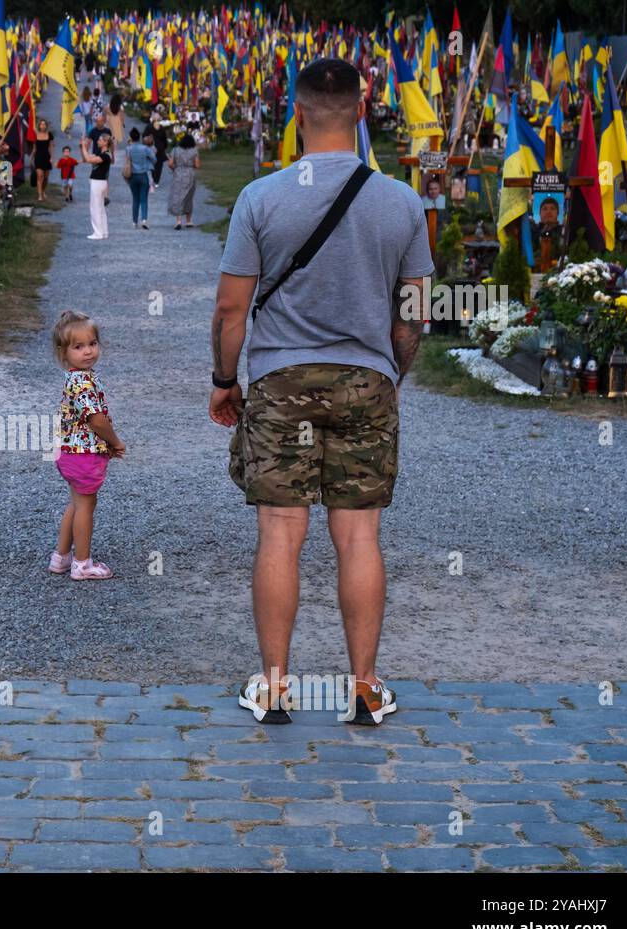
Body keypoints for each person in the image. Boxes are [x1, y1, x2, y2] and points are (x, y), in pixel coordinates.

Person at [208, 58, 433, 727]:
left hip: (280, 381)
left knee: (281, 532)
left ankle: (276, 687)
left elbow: (230, 308)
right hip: (367, 380)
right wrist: (395, 371)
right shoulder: (400, 202)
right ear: (362, 113)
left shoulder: (261, 198)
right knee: (359, 535)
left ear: (296, 115)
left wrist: (225, 380)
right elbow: (414, 312)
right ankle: (362, 688)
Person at [48, 311, 124, 580]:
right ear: (63, 352)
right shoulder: (82, 383)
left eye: (92, 343)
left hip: (68, 451)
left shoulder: (77, 377)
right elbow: (97, 420)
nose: (88, 351)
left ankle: (61, 557)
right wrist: (114, 441)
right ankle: (82, 563)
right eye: (78, 347)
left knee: (76, 502)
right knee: (86, 506)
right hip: (83, 453)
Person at [82, 131, 113, 240]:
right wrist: (84, 147)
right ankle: (104, 232)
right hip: (100, 182)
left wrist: (83, 147)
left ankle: (98, 233)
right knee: (100, 208)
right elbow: (86, 158)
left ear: (105, 142)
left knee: (95, 207)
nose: (98, 141)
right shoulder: (103, 154)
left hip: (98, 182)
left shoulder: (105, 155)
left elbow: (88, 159)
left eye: (100, 140)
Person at [166, 131, 201, 229]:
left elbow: (170, 163)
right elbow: (197, 165)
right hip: (190, 174)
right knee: (188, 197)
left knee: (178, 197)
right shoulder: (194, 151)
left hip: (178, 173)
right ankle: (189, 221)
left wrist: (175, 168)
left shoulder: (175, 150)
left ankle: (178, 221)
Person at [126, 128, 156, 229]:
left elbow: (127, 161)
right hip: (143, 175)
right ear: (139, 137)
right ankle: (144, 220)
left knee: (135, 199)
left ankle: (134, 222)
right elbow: (154, 159)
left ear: (131, 137)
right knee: (144, 199)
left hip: (132, 176)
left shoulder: (128, 149)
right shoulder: (145, 149)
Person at [33, 119, 53, 202]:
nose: (42, 126)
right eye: (41, 124)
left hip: (47, 157)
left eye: (44, 124)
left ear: (46, 126)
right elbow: (34, 148)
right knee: (39, 176)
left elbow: (51, 147)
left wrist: (52, 157)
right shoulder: (35, 135)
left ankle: (43, 191)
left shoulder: (49, 135)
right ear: (39, 126)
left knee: (46, 177)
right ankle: (40, 195)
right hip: (38, 157)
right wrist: (31, 159)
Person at [151, 115, 170, 188]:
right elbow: (164, 139)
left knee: (152, 164)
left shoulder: (149, 127)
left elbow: (144, 136)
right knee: (159, 165)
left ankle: (152, 177)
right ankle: (156, 181)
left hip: (151, 148)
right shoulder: (161, 128)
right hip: (160, 148)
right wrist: (165, 147)